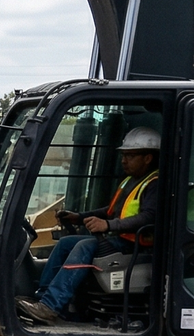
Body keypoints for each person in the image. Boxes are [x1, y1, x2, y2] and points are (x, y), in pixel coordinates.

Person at [20, 127, 160, 324]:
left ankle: (51, 306)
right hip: (121, 240)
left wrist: (108, 225)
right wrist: (79, 217)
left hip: (137, 245)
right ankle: (42, 298)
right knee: (67, 242)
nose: (124, 160)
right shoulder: (132, 181)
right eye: (123, 155)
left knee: (85, 245)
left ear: (148, 158)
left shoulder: (155, 183)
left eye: (130, 156)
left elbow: (149, 217)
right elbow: (110, 210)